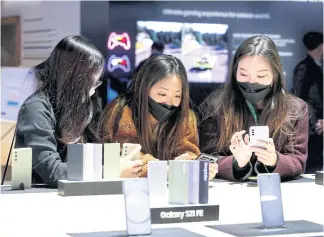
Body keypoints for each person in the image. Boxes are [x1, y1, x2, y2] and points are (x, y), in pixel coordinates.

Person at [199, 35, 309, 181]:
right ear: (234, 71)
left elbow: (298, 161)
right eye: (243, 74)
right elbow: (206, 157)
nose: (251, 82)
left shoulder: (295, 109)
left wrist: (274, 160)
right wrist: (236, 163)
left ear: (275, 75)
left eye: (261, 76)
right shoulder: (215, 105)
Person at [100, 54, 217, 179]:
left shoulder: (185, 117)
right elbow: (129, 156)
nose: (170, 102)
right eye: (162, 94)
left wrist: (195, 166)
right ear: (145, 88)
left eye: (177, 96)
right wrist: (166, 171)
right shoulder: (121, 112)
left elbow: (188, 150)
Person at [15, 36, 105, 186]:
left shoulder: (84, 108)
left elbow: (97, 154)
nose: (93, 90)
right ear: (73, 81)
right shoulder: (36, 109)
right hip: (39, 198)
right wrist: (106, 171)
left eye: (96, 83)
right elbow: (53, 172)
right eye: (91, 83)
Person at [293, 32, 323, 172]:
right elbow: (300, 99)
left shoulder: (314, 66)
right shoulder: (304, 68)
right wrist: (315, 122)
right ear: (321, 46)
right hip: (311, 129)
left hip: (316, 127)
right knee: (311, 167)